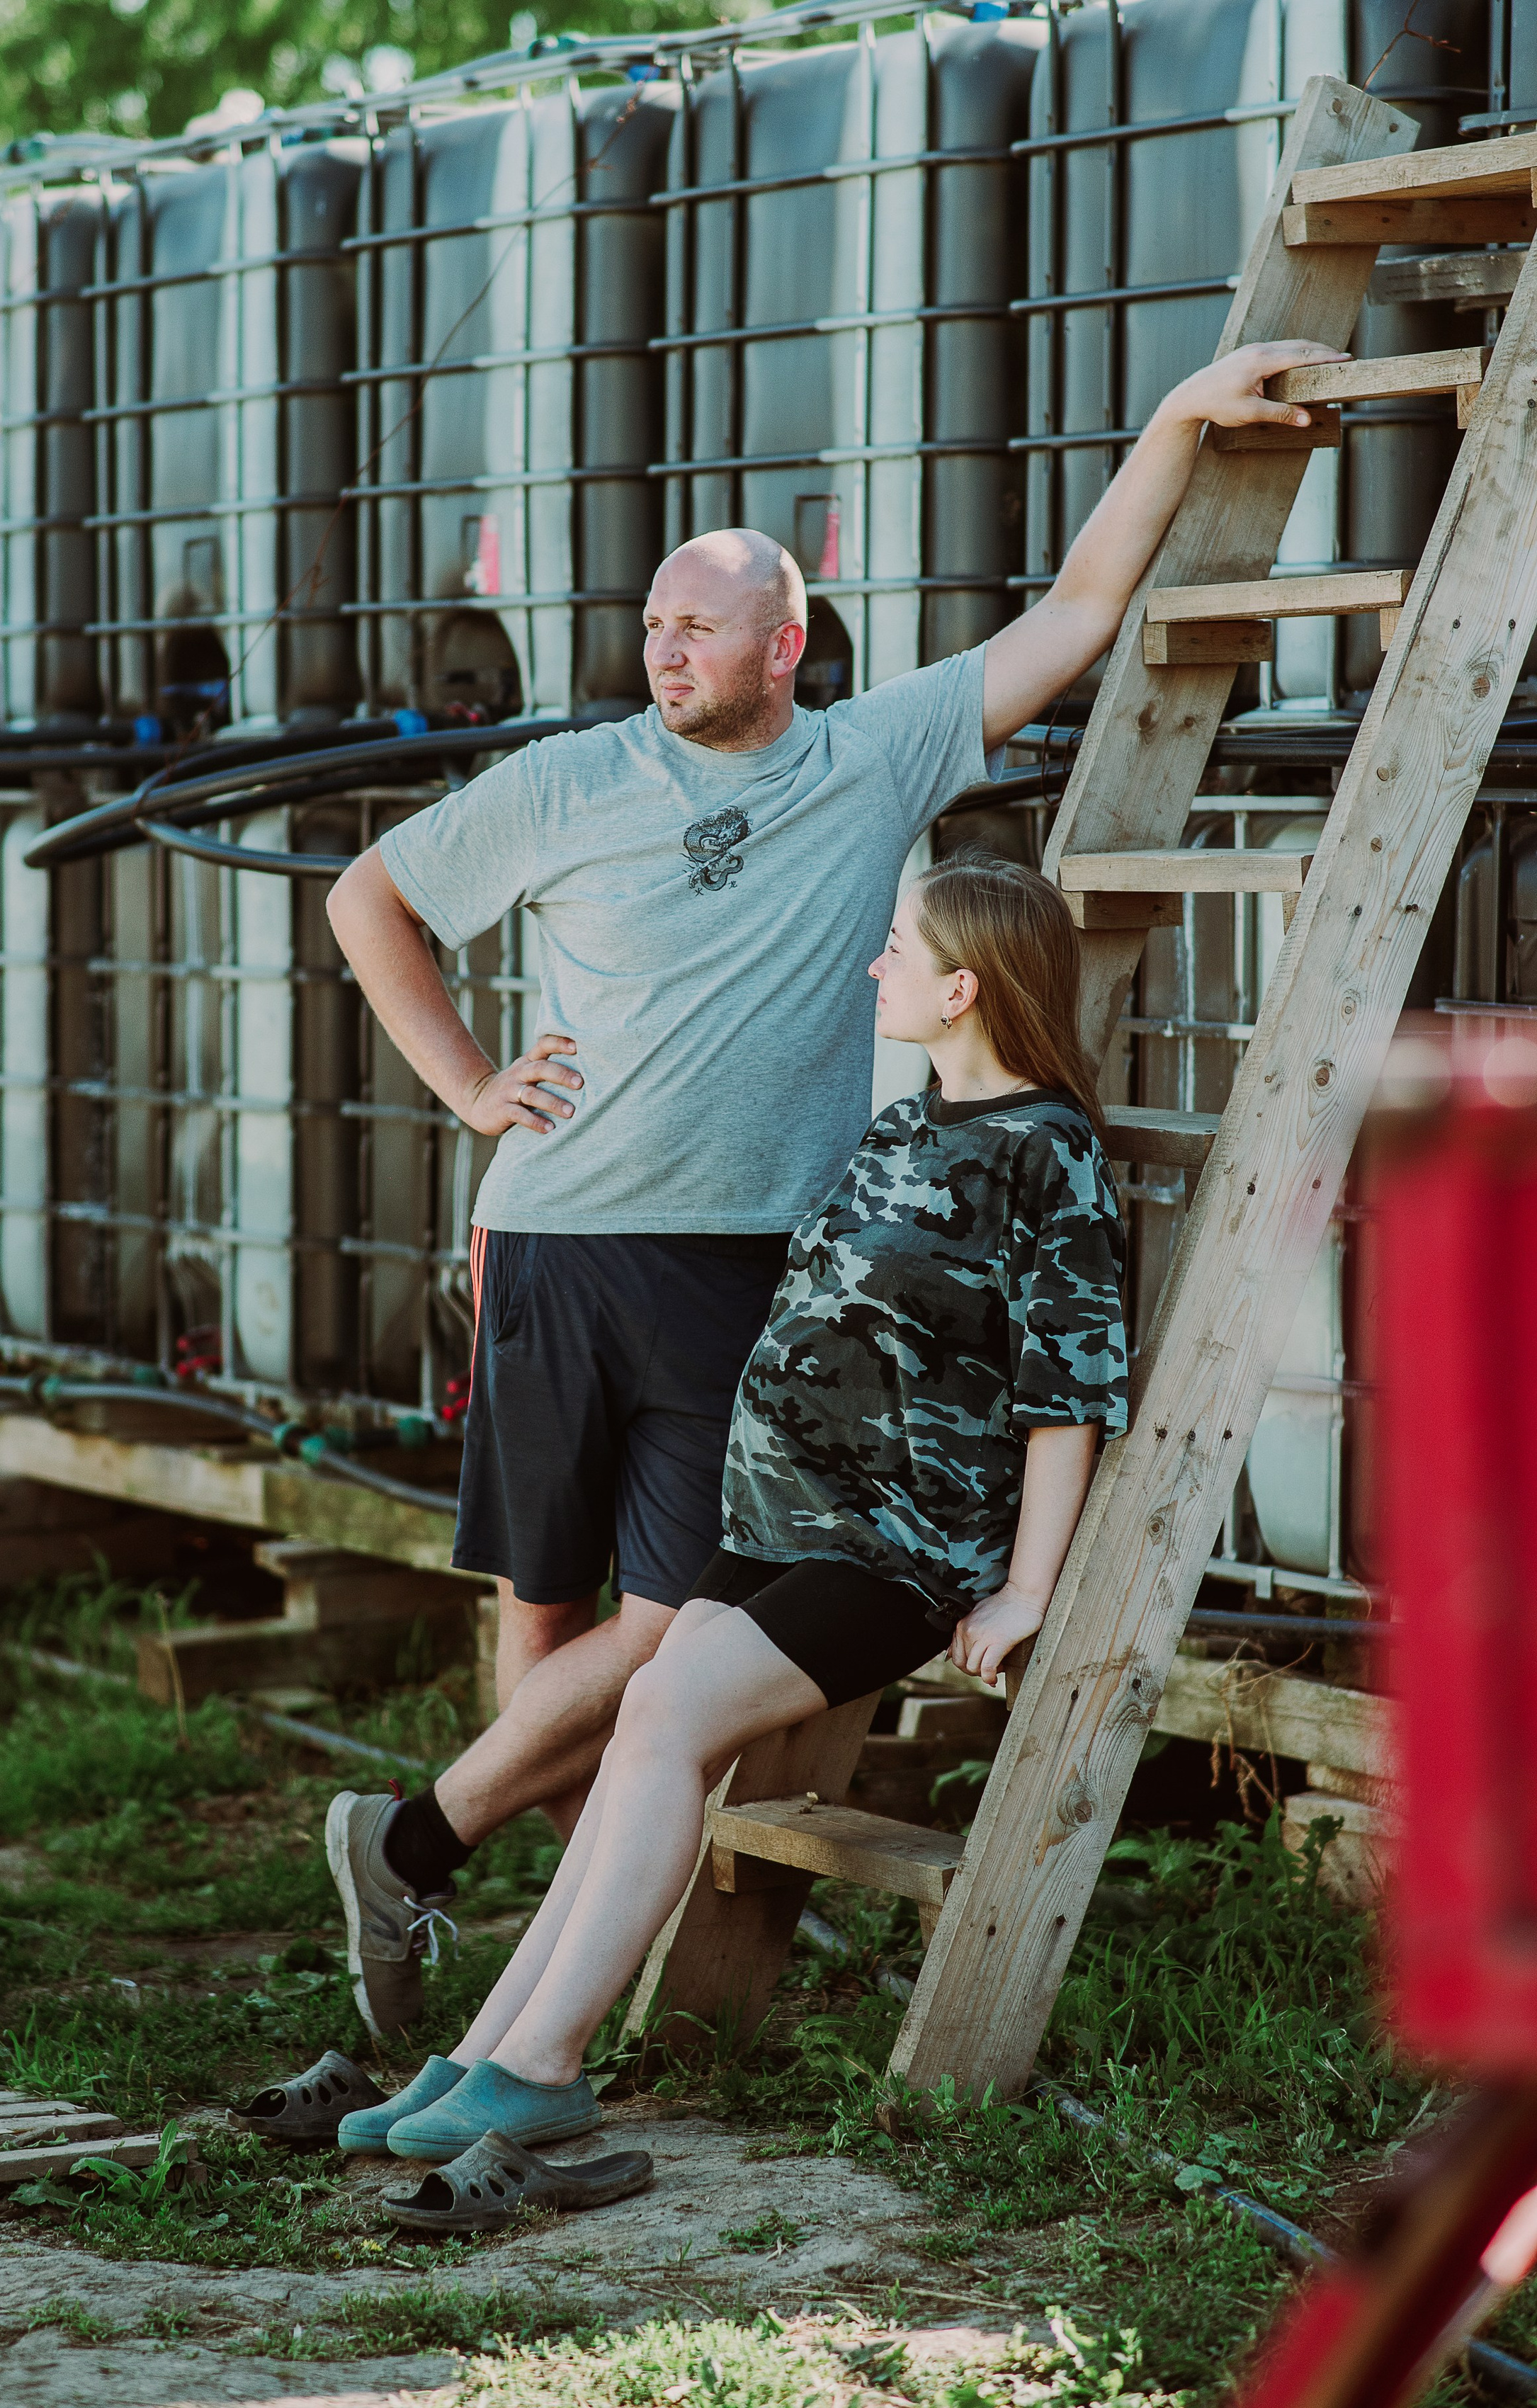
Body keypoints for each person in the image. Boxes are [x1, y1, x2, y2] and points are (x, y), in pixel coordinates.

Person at [319, 336, 1337, 2038]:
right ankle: (542, 1944)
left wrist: (1172, 415)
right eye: (651, 624)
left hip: (749, 1263)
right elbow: (368, 899)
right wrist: (471, 1087)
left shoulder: (869, 758)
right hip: (554, 1230)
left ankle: (425, 1848)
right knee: (541, 1596)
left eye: (696, 626)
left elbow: (1081, 611)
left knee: (672, 1618)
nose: (662, 649)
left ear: (780, 645)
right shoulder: (569, 780)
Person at [334, 851, 1128, 2164]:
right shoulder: (906, 1125)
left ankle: (542, 2066)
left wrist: (1027, 1588)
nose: (875, 964)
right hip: (781, 1526)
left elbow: (1068, 1394)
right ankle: (483, 2053)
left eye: (898, 948)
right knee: (646, 1720)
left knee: (665, 1717)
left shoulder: (1047, 1156)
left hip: (901, 1548)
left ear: (963, 990)